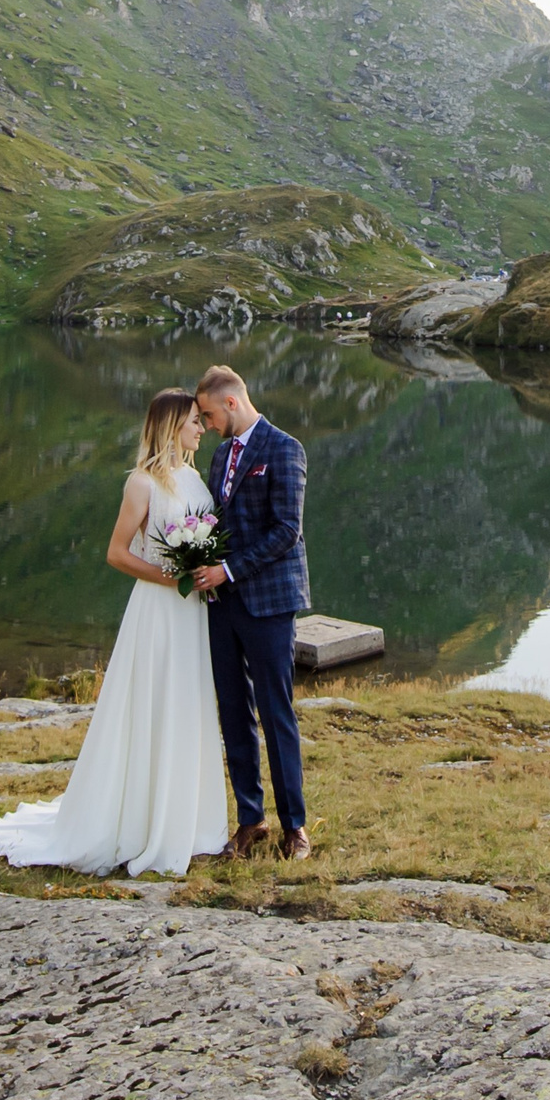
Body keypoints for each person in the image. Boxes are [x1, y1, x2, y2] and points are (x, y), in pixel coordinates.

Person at [0, 388, 231, 877]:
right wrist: (169, 576)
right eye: (192, 422)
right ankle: (138, 822)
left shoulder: (194, 477)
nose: (201, 428)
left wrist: (203, 565)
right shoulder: (142, 483)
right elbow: (117, 553)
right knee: (151, 704)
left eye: (201, 422)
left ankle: (189, 820)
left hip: (193, 612)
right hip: (159, 610)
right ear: (170, 426)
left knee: (187, 704)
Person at [192, 364, 311, 860]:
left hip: (268, 603)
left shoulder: (285, 449)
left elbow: (287, 531)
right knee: (233, 712)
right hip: (222, 607)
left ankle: (295, 828)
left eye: (209, 414)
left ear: (233, 403)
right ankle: (250, 820)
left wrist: (229, 571)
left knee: (276, 712)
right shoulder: (220, 458)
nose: (207, 424)